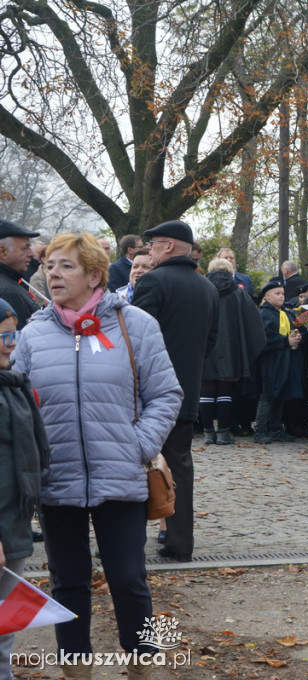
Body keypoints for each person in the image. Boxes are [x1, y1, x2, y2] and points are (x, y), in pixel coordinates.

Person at [14, 232, 182, 680]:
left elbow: (165, 394)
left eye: (65, 266)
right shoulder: (33, 334)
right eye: (49, 265)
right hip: (57, 479)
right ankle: (76, 668)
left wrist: (138, 446)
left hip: (121, 474)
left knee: (128, 579)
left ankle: (143, 662)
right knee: (67, 581)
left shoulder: (137, 324)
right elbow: (17, 405)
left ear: (94, 274)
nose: (53, 274)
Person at [132, 220, 218, 562]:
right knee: (179, 464)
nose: (149, 251)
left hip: (148, 392)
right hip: (185, 391)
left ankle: (128, 541)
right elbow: (210, 344)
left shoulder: (154, 281)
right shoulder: (207, 288)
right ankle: (180, 542)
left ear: (168, 246)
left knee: (135, 463)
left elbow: (135, 339)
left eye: (153, 245)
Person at [0, 300, 50, 680]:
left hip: (12, 521)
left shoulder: (12, 384)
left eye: (13, 334)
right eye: (2, 335)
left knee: (3, 617)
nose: (10, 344)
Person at [200, 257, 266, 445]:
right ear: (230, 272)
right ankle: (222, 433)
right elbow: (253, 323)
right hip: (230, 348)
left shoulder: (201, 290)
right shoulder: (238, 292)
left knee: (205, 390)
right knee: (225, 390)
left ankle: (207, 433)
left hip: (205, 347)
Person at [254, 278, 307, 444]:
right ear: (267, 297)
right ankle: (260, 429)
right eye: (277, 294)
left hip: (286, 360)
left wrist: (298, 337)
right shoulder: (264, 314)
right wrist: (285, 341)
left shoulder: (288, 313)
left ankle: (276, 429)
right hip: (271, 360)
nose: (281, 296)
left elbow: (300, 329)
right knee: (268, 394)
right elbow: (263, 338)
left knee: (280, 395)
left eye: (283, 293)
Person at [0, 220, 42, 328]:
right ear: (3, 252)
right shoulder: (8, 292)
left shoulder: (10, 284)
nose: (32, 254)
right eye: (25, 248)